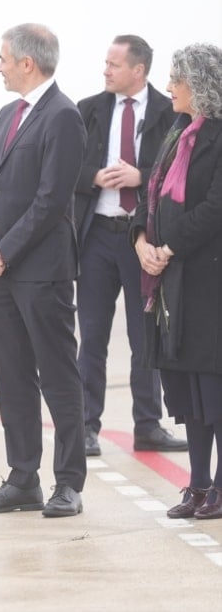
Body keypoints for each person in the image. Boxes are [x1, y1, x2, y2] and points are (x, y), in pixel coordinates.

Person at [0, 24, 87, 518]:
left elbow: (51, 201)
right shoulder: (6, 115)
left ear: (27, 63)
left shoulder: (64, 116)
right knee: (12, 376)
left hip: (41, 271)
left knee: (58, 377)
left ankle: (69, 484)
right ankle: (22, 479)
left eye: (3, 58)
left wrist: (4, 251)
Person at [74, 35, 185, 457]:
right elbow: (64, 167)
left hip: (142, 240)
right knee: (92, 336)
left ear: (138, 70)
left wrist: (141, 176)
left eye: (114, 64)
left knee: (145, 337)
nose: (105, 70)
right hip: (97, 237)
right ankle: (86, 426)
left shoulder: (168, 112)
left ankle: (148, 426)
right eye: (106, 63)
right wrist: (93, 176)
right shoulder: (88, 109)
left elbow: (178, 169)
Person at [132, 43, 222, 520]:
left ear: (200, 85)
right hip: (172, 286)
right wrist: (141, 241)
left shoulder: (219, 135)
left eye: (176, 79)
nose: (168, 86)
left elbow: (215, 208)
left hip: (208, 284)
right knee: (187, 391)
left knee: (214, 390)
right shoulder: (177, 130)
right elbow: (149, 194)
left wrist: (168, 247)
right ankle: (199, 484)